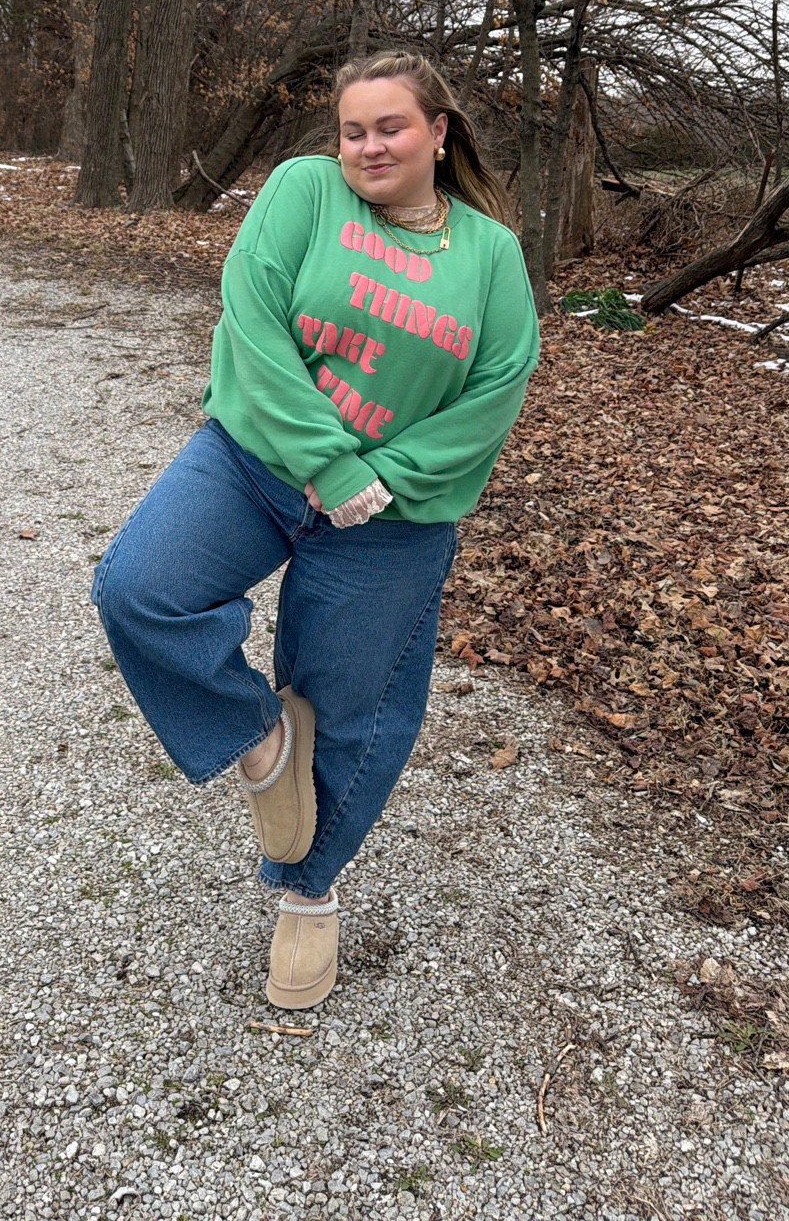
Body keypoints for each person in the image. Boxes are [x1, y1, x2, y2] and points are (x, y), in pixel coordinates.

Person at [94, 49, 538, 1011]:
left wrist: (381, 477)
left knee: (354, 709)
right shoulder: (303, 193)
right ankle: (258, 738)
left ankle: (308, 895)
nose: (369, 145)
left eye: (390, 126)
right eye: (353, 129)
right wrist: (327, 463)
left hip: (394, 517)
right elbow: (251, 320)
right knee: (138, 590)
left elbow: (497, 389)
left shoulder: (490, 255)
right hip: (256, 463)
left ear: (438, 132)